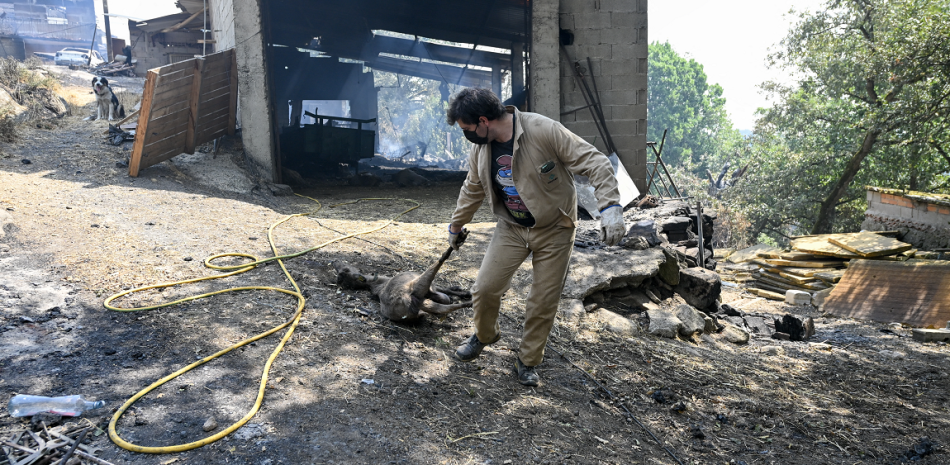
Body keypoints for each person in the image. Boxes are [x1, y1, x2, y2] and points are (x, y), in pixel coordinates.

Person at [445, 87, 625, 386]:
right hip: (512, 228)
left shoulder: (542, 130)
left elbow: (595, 162)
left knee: (542, 301)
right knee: (484, 289)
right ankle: (485, 335)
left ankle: (527, 361)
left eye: (467, 129)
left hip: (555, 229)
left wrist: (611, 206)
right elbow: (472, 189)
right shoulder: (480, 148)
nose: (468, 135)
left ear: (483, 120)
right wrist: (456, 226)